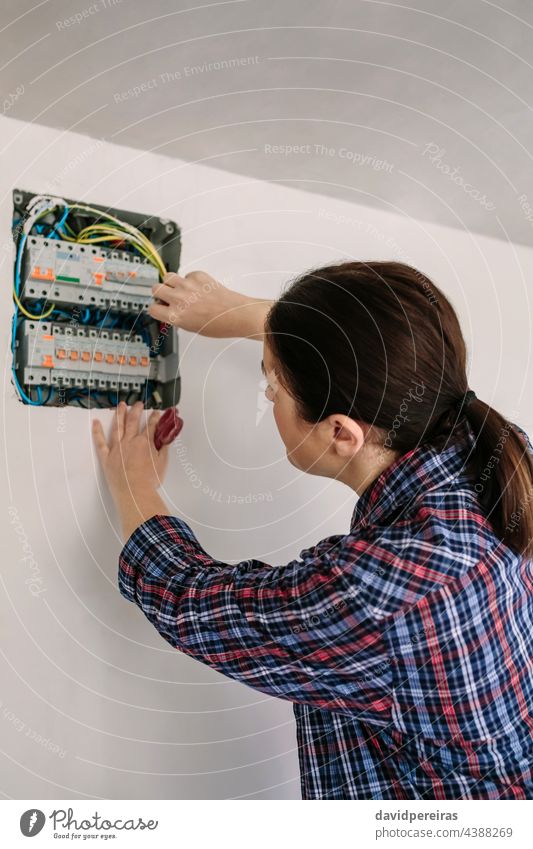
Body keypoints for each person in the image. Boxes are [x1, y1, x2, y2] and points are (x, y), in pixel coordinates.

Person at [92, 261, 533, 800]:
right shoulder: (492, 453)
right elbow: (395, 347)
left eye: (270, 385)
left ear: (340, 433)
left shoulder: (379, 595)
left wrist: (135, 486)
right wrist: (249, 316)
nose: (268, 396)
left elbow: (194, 604)